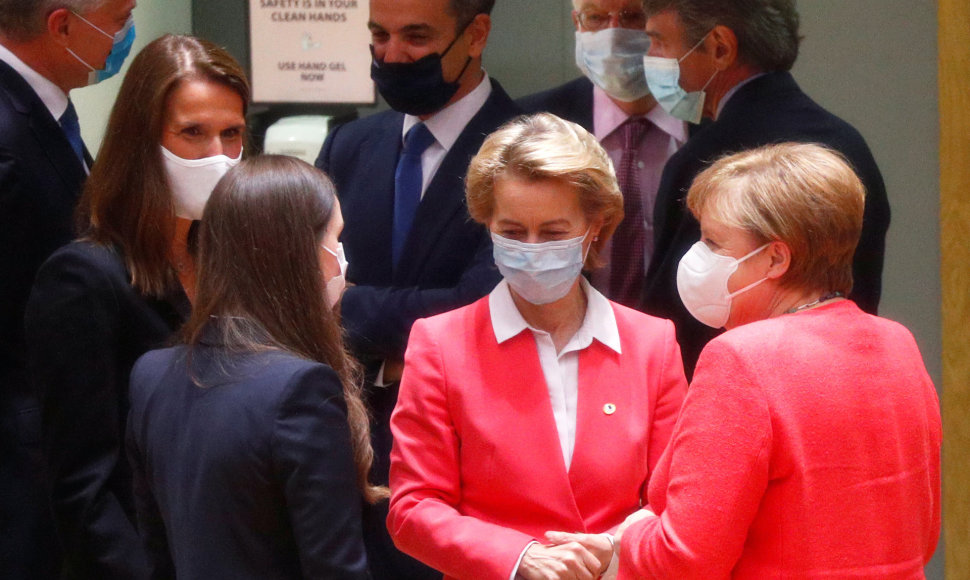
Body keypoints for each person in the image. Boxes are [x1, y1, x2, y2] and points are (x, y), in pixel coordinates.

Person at [556, 143, 941, 578]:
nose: (697, 257)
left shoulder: (742, 359)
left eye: (713, 242)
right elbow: (923, 535)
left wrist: (623, 541)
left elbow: (684, 558)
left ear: (776, 257)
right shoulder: (898, 344)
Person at [387, 113, 688, 580]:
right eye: (511, 231)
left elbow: (676, 496)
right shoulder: (440, 344)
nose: (531, 248)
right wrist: (517, 557)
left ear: (596, 226)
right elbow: (412, 507)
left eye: (552, 233)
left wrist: (611, 548)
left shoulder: (652, 344)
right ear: (487, 223)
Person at [23, 34, 248, 578]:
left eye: (233, 133)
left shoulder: (237, 262)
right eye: (193, 133)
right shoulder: (85, 278)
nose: (217, 154)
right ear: (142, 141)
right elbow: (84, 487)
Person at [314, 1, 521, 576]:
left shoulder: (527, 151)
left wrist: (344, 299)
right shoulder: (351, 145)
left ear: (475, 34)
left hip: (472, 456)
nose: (391, 55)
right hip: (348, 448)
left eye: (416, 37)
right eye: (379, 35)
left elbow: (476, 306)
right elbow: (301, 284)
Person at [126, 155, 380, 579]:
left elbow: (156, 551)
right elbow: (335, 568)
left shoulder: (150, 373)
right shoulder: (302, 387)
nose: (341, 256)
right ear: (301, 255)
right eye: (335, 239)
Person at [638, 0, 891, 377]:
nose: (650, 57)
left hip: (734, 386)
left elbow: (673, 318)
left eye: (659, 42)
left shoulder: (703, 161)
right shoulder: (848, 143)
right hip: (845, 380)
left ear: (720, 47)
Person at [0, 1, 135, 575]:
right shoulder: (7, 135)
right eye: (121, 15)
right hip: (23, 456)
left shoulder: (44, 112)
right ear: (62, 25)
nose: (125, 33)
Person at [518, 0, 686, 308]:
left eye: (633, 16)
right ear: (576, 23)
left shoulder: (718, 123)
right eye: (595, 18)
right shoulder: (531, 125)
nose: (614, 34)